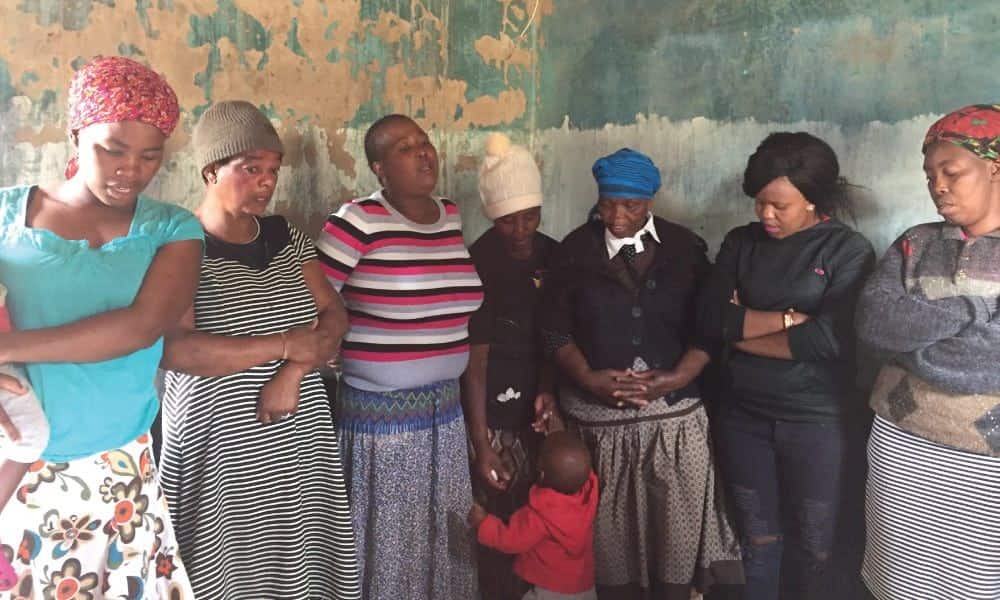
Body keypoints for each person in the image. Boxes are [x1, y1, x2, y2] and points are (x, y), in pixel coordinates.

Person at [0, 55, 200, 599]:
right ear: (76, 135)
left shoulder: (173, 228)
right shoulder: (8, 218)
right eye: (112, 149)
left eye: (149, 155)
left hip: (120, 471)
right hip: (19, 471)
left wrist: (4, 347)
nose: (130, 169)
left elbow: (140, 328)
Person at [159, 100, 361, 599]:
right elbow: (179, 350)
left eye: (273, 170)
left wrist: (292, 372)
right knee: (218, 565)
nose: (267, 182)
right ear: (211, 170)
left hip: (295, 434)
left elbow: (334, 315)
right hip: (218, 442)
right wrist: (290, 343)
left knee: (297, 563)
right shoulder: (180, 242)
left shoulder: (285, 235)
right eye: (251, 169)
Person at [542, 148, 743, 600]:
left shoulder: (686, 250)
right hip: (599, 427)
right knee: (610, 543)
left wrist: (675, 379)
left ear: (650, 201)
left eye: (630, 205)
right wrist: (590, 379)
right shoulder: (573, 251)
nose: (616, 216)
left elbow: (710, 328)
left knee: (676, 529)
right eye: (608, 202)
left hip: (674, 424)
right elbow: (554, 333)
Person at [698, 132, 875, 600]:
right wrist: (788, 321)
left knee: (817, 546)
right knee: (758, 541)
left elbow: (830, 338)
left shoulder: (847, 250)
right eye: (759, 203)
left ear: (815, 201)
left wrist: (741, 333)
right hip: (743, 418)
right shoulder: (741, 243)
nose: (766, 215)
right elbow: (710, 317)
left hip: (817, 422)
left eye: (780, 205)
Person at [315, 114, 483, 599]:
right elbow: (315, 304)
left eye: (425, 142)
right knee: (392, 543)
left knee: (442, 540)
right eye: (405, 148)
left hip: (444, 415)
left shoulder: (449, 214)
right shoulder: (358, 220)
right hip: (383, 420)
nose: (423, 153)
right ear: (379, 168)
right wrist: (323, 359)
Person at [855, 104, 1000, 600]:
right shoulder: (915, 243)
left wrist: (916, 349)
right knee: (901, 580)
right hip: (901, 446)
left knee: (978, 583)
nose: (937, 185)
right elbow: (874, 325)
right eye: (930, 174)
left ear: (995, 169)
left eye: (951, 172)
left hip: (987, 462)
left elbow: (986, 361)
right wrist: (974, 310)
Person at [462, 132, 563, 599]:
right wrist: (482, 443)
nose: (521, 230)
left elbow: (554, 337)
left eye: (530, 217)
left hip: (539, 410)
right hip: (494, 415)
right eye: (507, 221)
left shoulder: (554, 255)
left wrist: (548, 392)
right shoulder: (477, 263)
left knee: (537, 519)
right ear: (491, 216)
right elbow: (475, 364)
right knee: (498, 520)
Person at [469, 431, 599, 600]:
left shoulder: (541, 513)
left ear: (542, 474)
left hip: (549, 589)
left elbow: (511, 540)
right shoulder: (586, 497)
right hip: (583, 587)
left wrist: (483, 522)